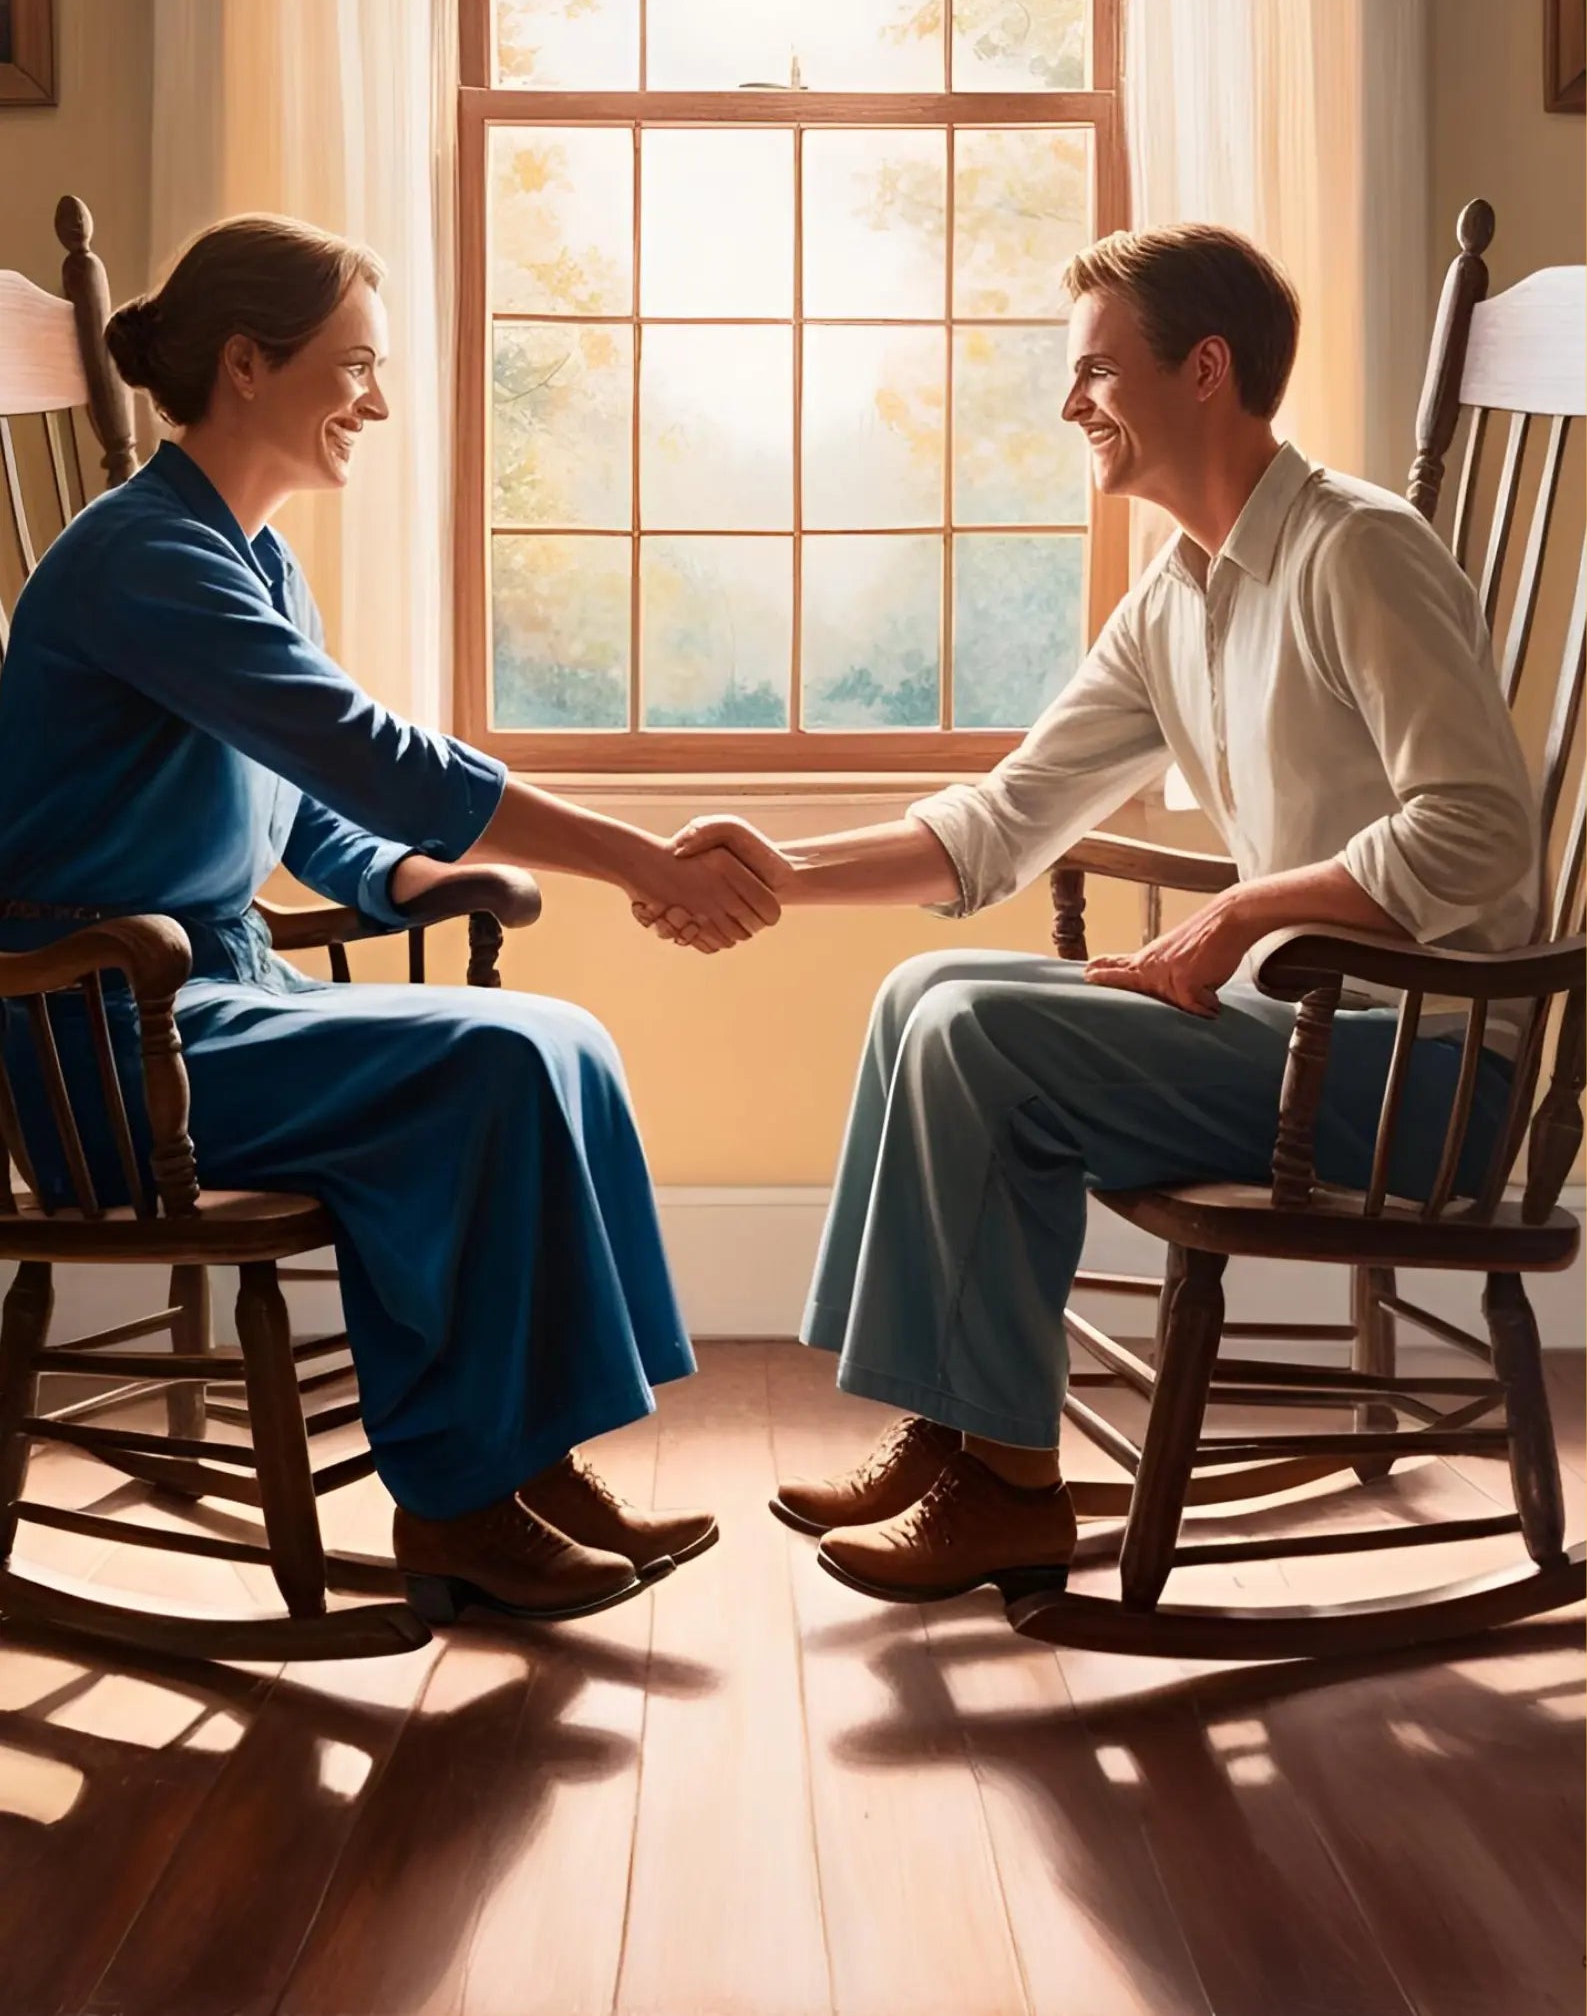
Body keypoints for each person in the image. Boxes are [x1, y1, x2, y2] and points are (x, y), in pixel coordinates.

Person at [637, 222, 1539, 1608]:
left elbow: (1476, 828)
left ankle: (1006, 1488)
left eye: (1095, 373)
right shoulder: (1177, 594)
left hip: (1420, 1068)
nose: (1072, 406)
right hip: (1291, 1028)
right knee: (924, 996)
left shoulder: (1359, 550)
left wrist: (1240, 915)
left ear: (1205, 371)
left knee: (986, 1040)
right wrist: (786, 870)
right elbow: (1004, 819)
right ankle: (956, 1423)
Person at [0, 214, 784, 1626]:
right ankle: (455, 1501)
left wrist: (409, 881)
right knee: (481, 1064)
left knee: (555, 1036)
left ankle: (527, 1465)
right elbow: (370, 751)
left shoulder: (250, 558)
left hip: (220, 1005)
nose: (376, 398)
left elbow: (310, 805)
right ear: (249, 362)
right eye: (356, 364)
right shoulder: (143, 560)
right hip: (105, 1034)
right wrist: (635, 860)